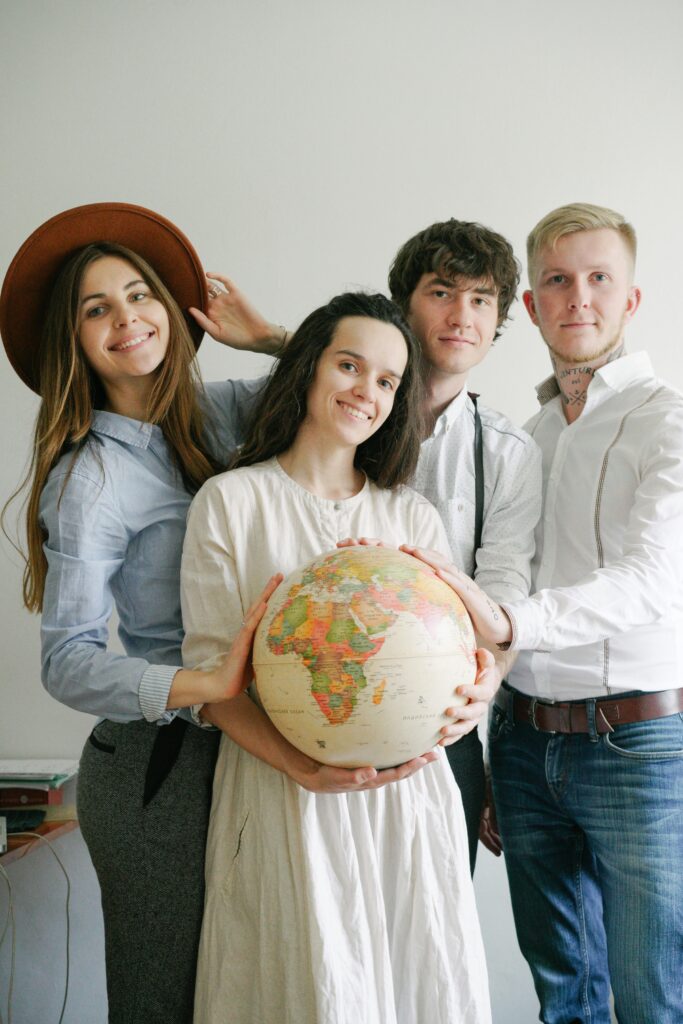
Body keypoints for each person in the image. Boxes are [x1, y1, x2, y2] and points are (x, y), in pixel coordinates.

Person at [0, 202, 280, 1024]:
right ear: (76, 340)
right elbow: (68, 659)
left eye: (138, 294)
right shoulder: (90, 482)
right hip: (160, 774)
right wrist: (202, 682)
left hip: (251, 751)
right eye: (97, 309)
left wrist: (264, 336)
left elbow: (359, 381)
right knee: (167, 1005)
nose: (127, 317)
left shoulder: (226, 409)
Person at [180, 292, 494, 1024]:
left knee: (413, 983)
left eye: (387, 381)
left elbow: (464, 649)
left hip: (407, 804)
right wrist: (302, 769)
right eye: (348, 365)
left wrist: (479, 689)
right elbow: (210, 683)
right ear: (307, 369)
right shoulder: (230, 503)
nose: (366, 390)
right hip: (284, 795)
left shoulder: (410, 514)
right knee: (301, 988)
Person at [408, 203, 683, 1024]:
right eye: (557, 281)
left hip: (636, 747)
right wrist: (497, 740)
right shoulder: (522, 434)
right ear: (527, 306)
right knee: (562, 996)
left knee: (652, 1000)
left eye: (600, 278)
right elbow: (387, 381)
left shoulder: (667, 419)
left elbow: (651, 581)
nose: (579, 298)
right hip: (524, 745)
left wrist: (511, 623)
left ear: (630, 299)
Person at [202, 220, 542, 870]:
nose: (461, 316)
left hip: (434, 729)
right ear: (403, 302)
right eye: (441, 291)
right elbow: (331, 365)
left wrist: (482, 693)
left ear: (498, 319)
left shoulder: (504, 453)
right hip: (301, 714)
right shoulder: (314, 423)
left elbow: (501, 612)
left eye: (480, 300)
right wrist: (282, 341)